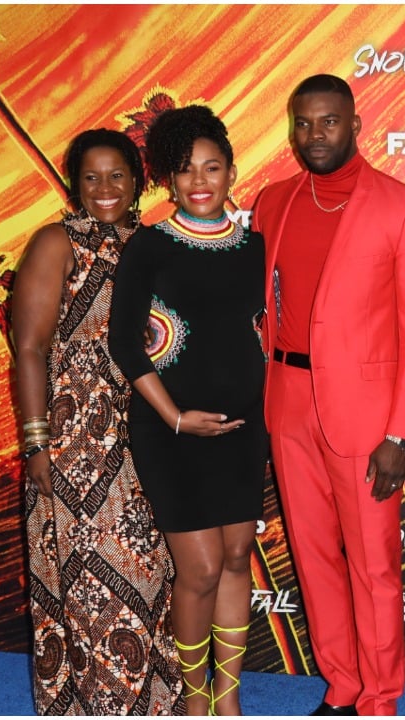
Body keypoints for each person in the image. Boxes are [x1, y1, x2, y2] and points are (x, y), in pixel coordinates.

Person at [251, 74, 405, 716]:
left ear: (355, 124)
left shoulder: (403, 206)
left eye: (329, 121)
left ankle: (380, 699)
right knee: (312, 558)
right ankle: (342, 689)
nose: (315, 135)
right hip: (287, 401)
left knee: (373, 565)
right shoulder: (272, 203)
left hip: (364, 417)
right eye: (303, 123)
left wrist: (400, 434)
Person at [11, 128, 185, 715]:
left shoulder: (158, 243)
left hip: (150, 425)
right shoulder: (56, 242)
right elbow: (30, 348)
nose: (105, 188)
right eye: (91, 177)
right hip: (77, 437)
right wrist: (37, 443)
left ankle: (153, 701)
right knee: (88, 575)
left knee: (151, 567)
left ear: (138, 181)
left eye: (117, 175)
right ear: (74, 184)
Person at [108, 105, 268, 716]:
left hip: (244, 430)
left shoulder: (255, 246)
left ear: (231, 172)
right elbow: (125, 342)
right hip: (171, 431)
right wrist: (175, 417)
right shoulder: (150, 246)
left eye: (212, 167)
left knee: (234, 557)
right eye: (185, 171)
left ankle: (229, 700)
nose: (200, 181)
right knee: (198, 568)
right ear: (169, 182)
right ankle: (194, 702)